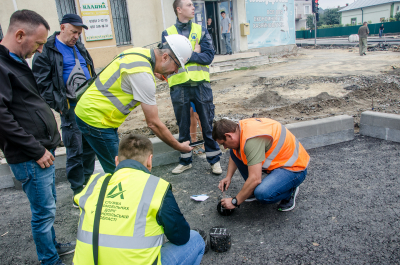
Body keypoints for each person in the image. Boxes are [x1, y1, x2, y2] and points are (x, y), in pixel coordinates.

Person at [0, 10, 75, 265]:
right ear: (20, 35)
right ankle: (49, 260)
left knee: (48, 208)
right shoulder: (1, 65)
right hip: (31, 156)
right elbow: (2, 117)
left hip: (41, 151)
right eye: (39, 43)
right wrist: (36, 149)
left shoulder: (15, 61)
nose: (41, 50)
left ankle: (52, 247)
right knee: (43, 214)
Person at [72, 133, 205, 265]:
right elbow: (180, 236)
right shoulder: (155, 187)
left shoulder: (95, 182)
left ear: (117, 161)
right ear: (149, 160)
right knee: (195, 239)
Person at [74, 34, 194, 174]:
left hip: (86, 110)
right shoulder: (143, 75)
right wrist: (178, 146)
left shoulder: (138, 53)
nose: (175, 71)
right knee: (120, 173)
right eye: (177, 65)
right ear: (165, 57)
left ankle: (83, 192)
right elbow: (153, 123)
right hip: (97, 120)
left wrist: (155, 71)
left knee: (85, 166)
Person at [32, 14, 96, 207]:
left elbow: (90, 70)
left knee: (89, 148)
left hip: (89, 106)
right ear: (62, 27)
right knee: (75, 150)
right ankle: (78, 191)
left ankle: (87, 185)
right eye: (73, 32)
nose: (76, 36)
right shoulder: (47, 50)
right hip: (70, 108)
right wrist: (62, 106)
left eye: (79, 33)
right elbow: (42, 84)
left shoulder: (79, 47)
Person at [161, 0, 222, 175]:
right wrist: (196, 52)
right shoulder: (168, 33)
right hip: (179, 85)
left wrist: (186, 54)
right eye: (188, 5)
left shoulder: (200, 30)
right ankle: (185, 160)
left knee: (207, 125)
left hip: (200, 84)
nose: (193, 7)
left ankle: (214, 160)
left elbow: (208, 56)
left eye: (193, 4)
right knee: (183, 126)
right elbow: (166, 60)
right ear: (178, 9)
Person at [212, 118, 310, 212]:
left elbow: (255, 178)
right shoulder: (239, 128)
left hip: (294, 167)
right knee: (234, 149)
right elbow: (235, 154)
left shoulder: (251, 140)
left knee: (263, 194)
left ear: (229, 135)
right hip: (279, 161)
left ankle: (290, 191)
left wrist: (235, 201)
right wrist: (228, 177)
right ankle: (252, 189)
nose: (224, 147)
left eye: (223, 143)